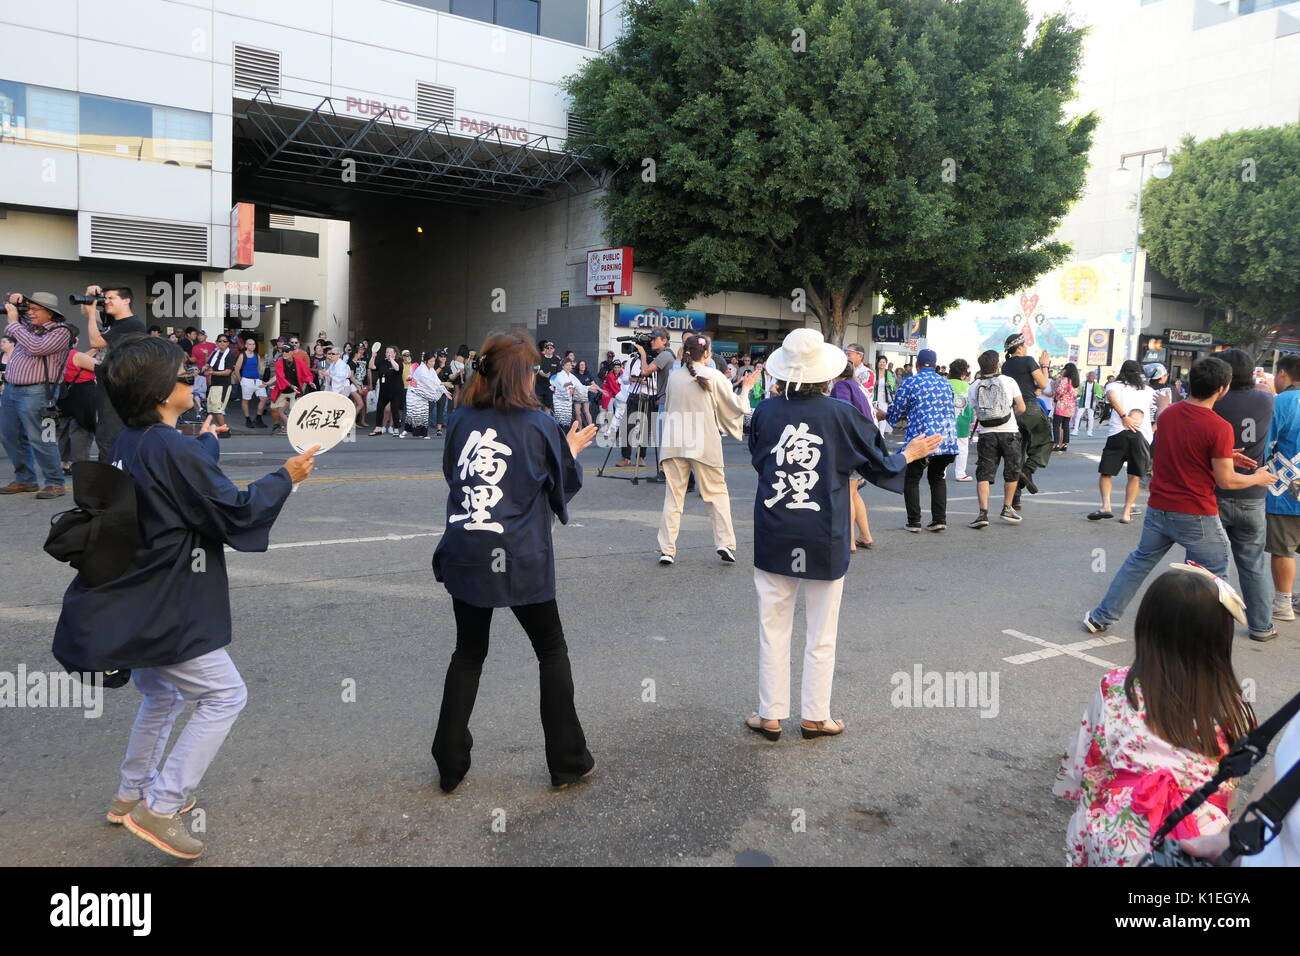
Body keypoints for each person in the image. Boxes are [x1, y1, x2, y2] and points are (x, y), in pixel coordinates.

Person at [51, 333, 317, 859]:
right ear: (157, 390)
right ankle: (162, 805)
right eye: (181, 375)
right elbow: (234, 512)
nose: (192, 378)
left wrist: (206, 441)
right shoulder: (168, 446)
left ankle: (130, 794)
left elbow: (179, 471)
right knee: (225, 695)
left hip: (135, 593)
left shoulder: (132, 438)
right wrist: (285, 477)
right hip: (165, 602)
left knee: (162, 694)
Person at [744, 329, 941, 741]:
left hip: (775, 528)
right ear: (826, 374)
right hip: (824, 532)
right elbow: (878, 465)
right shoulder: (841, 413)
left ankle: (771, 714)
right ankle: (816, 716)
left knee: (772, 625)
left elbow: (760, 461)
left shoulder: (765, 411)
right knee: (821, 629)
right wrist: (910, 453)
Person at [430, 330, 598, 792]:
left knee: (468, 652)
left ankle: (449, 762)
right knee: (550, 649)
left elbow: (454, 477)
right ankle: (567, 762)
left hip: (467, 546)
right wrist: (572, 452)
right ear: (521, 375)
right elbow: (562, 485)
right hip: (520, 553)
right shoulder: (539, 424)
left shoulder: (460, 420)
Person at [1055, 565, 1254, 866]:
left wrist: (1086, 813)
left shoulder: (1117, 686)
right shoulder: (1232, 705)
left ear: (1146, 626)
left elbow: (1090, 759)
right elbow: (1230, 784)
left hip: (1121, 829)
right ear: (1220, 637)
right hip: (1200, 835)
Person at [1083, 357, 1275, 634]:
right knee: (1215, 577)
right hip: (1196, 512)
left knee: (1138, 563)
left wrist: (1224, 455)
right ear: (1222, 388)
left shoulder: (1169, 415)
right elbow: (1227, 480)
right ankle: (1208, 639)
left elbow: (1183, 448)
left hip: (1159, 507)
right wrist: (1258, 478)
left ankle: (1101, 616)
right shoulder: (1219, 426)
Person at [657, 333, 753, 565]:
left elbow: (669, 405)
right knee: (716, 494)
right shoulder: (715, 375)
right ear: (707, 354)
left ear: (684, 352)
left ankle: (667, 550)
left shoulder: (674, 377)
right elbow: (737, 406)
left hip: (674, 441)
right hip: (704, 441)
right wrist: (747, 388)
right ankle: (725, 543)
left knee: (674, 497)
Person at [1211, 349, 1276, 642]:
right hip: (1253, 493)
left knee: (1210, 564)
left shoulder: (1216, 401)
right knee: (1253, 564)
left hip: (1216, 491)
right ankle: (1261, 626)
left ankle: (1208, 625)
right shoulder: (1264, 399)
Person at [0, 292, 72, 497]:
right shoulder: (30, 328)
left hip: (38, 391)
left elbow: (36, 347)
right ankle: (25, 480)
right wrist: (14, 299)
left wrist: (14, 324)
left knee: (41, 438)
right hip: (12, 389)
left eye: (34, 309)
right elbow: (13, 307)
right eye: (28, 309)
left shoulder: (61, 331)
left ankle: (55, 482)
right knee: (10, 436)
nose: (29, 313)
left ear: (50, 313)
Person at [885, 349, 958, 532]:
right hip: (946, 440)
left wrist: (887, 416)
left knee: (912, 478)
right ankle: (939, 520)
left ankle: (914, 521)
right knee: (937, 477)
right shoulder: (946, 384)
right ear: (935, 365)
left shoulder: (911, 382)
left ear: (917, 365)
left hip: (921, 439)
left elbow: (897, 412)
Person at [1088, 360, 1156, 523]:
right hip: (1142, 436)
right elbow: (1163, 408)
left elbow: (1111, 397)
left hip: (1118, 434)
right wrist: (1152, 429)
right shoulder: (1149, 390)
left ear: (1122, 371)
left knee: (1106, 472)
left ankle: (1106, 506)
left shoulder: (1115, 385)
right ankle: (1126, 513)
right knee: (1134, 476)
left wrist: (1124, 417)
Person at [966, 350, 1026, 528]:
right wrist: (1010, 416)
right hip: (1009, 432)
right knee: (1012, 470)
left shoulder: (974, 386)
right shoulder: (1008, 381)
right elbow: (1021, 407)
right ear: (997, 364)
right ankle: (1007, 508)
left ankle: (983, 513)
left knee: (984, 473)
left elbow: (974, 411)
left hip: (986, 434)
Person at [1263, 353, 1300, 625]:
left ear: (1284, 373)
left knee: (1283, 548)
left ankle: (1283, 603)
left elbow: (1266, 445)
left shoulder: (1283, 402)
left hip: (1286, 489)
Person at [1001, 334, 1053, 510]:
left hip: (1013, 411)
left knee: (1018, 454)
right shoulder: (1029, 361)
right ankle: (1028, 470)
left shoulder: (1006, 366)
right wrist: (1044, 365)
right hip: (1030, 408)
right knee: (1045, 442)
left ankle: (1015, 498)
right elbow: (1044, 384)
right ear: (1020, 347)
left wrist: (1035, 388)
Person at [830, 362, 877, 550]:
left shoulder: (841, 386)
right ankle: (865, 536)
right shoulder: (856, 385)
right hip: (866, 443)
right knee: (854, 491)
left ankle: (848, 541)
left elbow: (842, 411)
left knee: (847, 493)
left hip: (851, 444)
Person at [57, 328, 98, 470]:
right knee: (81, 430)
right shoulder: (77, 355)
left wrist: (94, 350)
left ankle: (63, 462)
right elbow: (101, 367)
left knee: (64, 429)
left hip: (64, 394)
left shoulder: (58, 355)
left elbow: (77, 360)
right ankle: (81, 464)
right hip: (82, 395)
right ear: (73, 341)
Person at [404, 353, 448, 439]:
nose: (433, 363)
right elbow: (428, 382)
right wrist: (443, 385)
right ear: (426, 361)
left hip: (423, 394)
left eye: (434, 361)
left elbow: (436, 380)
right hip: (414, 394)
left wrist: (445, 391)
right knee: (413, 413)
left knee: (424, 414)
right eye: (431, 361)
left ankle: (423, 434)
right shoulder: (421, 369)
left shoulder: (431, 370)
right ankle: (406, 430)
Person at [203, 334, 236, 437]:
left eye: (225, 341)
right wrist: (205, 367)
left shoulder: (230, 355)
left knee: (217, 410)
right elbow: (208, 364)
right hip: (214, 385)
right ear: (217, 343)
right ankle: (223, 429)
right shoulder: (215, 353)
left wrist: (212, 373)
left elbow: (227, 372)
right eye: (220, 341)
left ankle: (225, 430)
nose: (222, 343)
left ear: (228, 344)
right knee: (212, 409)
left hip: (223, 385)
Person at [948, 359, 974, 481]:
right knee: (962, 448)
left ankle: (941, 472)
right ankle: (960, 473)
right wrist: (970, 420)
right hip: (962, 421)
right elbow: (970, 406)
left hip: (945, 422)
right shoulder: (967, 386)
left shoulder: (945, 383)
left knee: (943, 447)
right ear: (963, 373)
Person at [370, 346, 404, 436]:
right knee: (380, 408)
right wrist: (373, 357)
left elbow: (397, 368)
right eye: (386, 352)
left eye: (389, 352)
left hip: (396, 390)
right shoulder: (382, 362)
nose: (387, 353)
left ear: (395, 353)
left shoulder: (399, 361)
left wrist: (391, 359)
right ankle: (378, 428)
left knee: (394, 409)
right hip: (384, 390)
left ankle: (396, 429)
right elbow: (371, 366)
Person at [237, 336, 267, 429]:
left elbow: (258, 368)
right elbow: (236, 369)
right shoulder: (242, 355)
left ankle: (258, 418)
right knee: (246, 400)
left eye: (253, 344)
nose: (252, 346)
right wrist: (241, 380)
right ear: (246, 345)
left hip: (257, 380)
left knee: (264, 399)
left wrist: (260, 378)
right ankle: (248, 419)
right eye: (250, 344)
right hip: (246, 380)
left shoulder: (257, 355)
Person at [1051, 363, 1079, 452]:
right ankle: (1064, 444)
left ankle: (1056, 444)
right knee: (1065, 425)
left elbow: (1060, 391)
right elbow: (1076, 394)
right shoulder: (1075, 381)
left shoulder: (1065, 379)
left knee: (1056, 424)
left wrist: (1056, 395)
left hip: (1062, 405)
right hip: (1071, 406)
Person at [870, 354, 894, 436]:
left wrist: (889, 384)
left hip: (884, 397)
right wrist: (873, 383)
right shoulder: (873, 372)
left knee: (883, 415)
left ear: (886, 363)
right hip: (874, 396)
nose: (882, 364)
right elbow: (868, 382)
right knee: (874, 414)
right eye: (880, 362)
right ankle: (874, 432)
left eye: (884, 362)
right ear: (877, 363)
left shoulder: (888, 373)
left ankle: (881, 433)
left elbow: (892, 383)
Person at [1072, 370, 1099, 437]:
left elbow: (1099, 393)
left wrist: (1096, 396)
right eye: (1090, 376)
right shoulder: (1083, 384)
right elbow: (1078, 391)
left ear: (1095, 377)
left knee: (1091, 418)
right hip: (1083, 403)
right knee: (1078, 416)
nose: (1091, 377)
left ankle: (1089, 431)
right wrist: (1078, 393)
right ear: (1087, 376)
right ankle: (1075, 430)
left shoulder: (1096, 385)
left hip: (1091, 403)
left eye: (1093, 376)